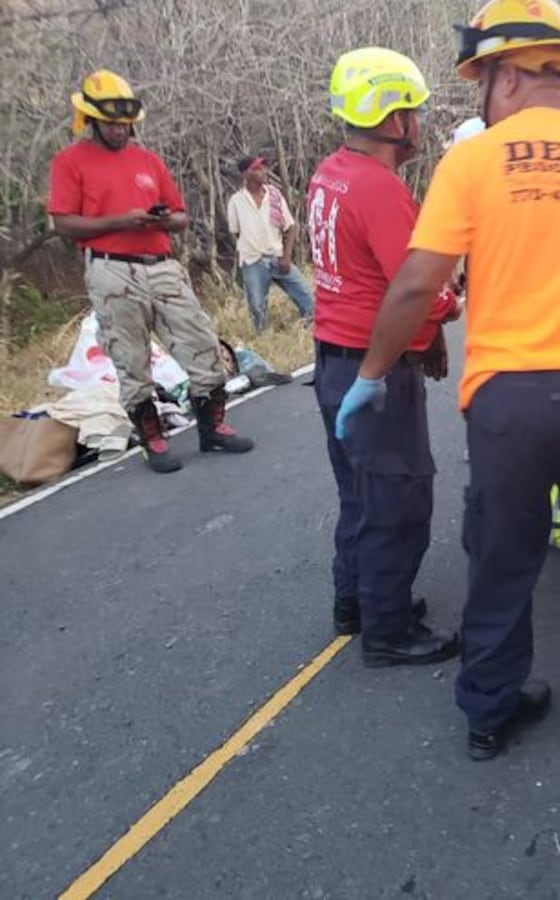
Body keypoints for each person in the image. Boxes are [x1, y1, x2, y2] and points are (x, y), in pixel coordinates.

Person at [336, 0, 560, 771]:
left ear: (507, 75)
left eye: (482, 79)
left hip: (506, 404)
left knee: (502, 559)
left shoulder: (474, 162)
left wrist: (370, 374)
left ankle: (490, 714)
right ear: (559, 69)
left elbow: (411, 288)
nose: (480, 95)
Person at [307, 47, 461, 668]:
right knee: (399, 496)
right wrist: (447, 312)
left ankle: (358, 602)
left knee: (359, 492)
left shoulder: (331, 172)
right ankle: (388, 630)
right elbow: (416, 287)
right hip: (375, 363)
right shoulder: (380, 189)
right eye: (413, 112)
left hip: (334, 357)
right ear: (393, 119)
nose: (419, 124)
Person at [47, 70, 253, 474]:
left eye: (125, 125)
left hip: (161, 264)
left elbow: (179, 215)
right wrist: (121, 220)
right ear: (91, 120)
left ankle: (212, 427)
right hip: (111, 269)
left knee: (203, 342)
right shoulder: (70, 162)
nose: (120, 131)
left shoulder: (147, 160)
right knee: (131, 357)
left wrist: (162, 221)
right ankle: (153, 440)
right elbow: (65, 224)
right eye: (111, 124)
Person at [226, 155, 313, 333]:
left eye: (264, 167)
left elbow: (291, 227)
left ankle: (309, 330)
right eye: (257, 169)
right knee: (257, 307)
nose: (263, 172)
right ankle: (264, 338)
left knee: (306, 297)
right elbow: (235, 231)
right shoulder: (236, 201)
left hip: (277, 256)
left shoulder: (274, 194)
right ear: (246, 174)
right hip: (253, 260)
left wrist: (286, 256)